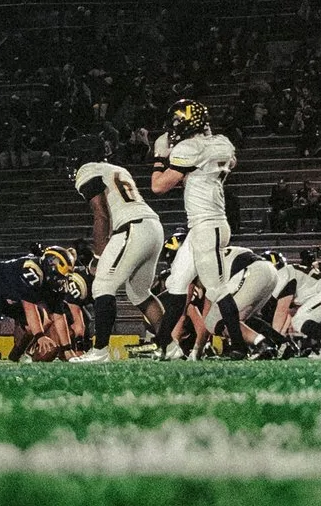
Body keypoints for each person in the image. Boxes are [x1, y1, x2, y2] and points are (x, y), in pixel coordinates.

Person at [152, 97, 244, 357]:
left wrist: (160, 158)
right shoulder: (221, 143)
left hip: (208, 225)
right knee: (177, 283)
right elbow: (230, 161)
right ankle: (163, 345)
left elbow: (158, 186)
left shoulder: (190, 148)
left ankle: (239, 347)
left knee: (216, 288)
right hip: (203, 226)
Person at [74, 142, 165, 355]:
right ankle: (170, 346)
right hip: (153, 226)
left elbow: (101, 214)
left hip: (131, 227)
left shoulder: (87, 170)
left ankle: (100, 351)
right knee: (140, 293)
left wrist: (98, 255)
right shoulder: (117, 169)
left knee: (102, 286)